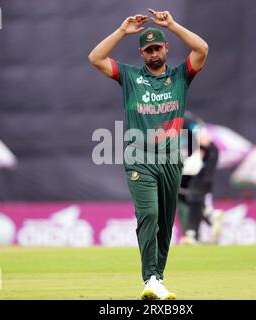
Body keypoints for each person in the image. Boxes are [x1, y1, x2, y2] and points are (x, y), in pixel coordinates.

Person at [88, 9, 208, 300]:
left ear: (166, 48)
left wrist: (173, 25)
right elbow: (95, 58)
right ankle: (150, 277)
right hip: (139, 156)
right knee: (149, 215)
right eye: (148, 49)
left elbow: (202, 49)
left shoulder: (180, 76)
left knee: (166, 222)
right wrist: (121, 31)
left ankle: (159, 279)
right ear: (141, 53)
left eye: (158, 47)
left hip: (170, 158)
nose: (153, 53)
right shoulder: (130, 77)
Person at [178, 111, 223, 245]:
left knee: (195, 193)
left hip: (206, 156)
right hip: (190, 159)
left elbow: (204, 138)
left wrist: (199, 155)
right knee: (178, 192)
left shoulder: (185, 119)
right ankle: (211, 216)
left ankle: (191, 234)